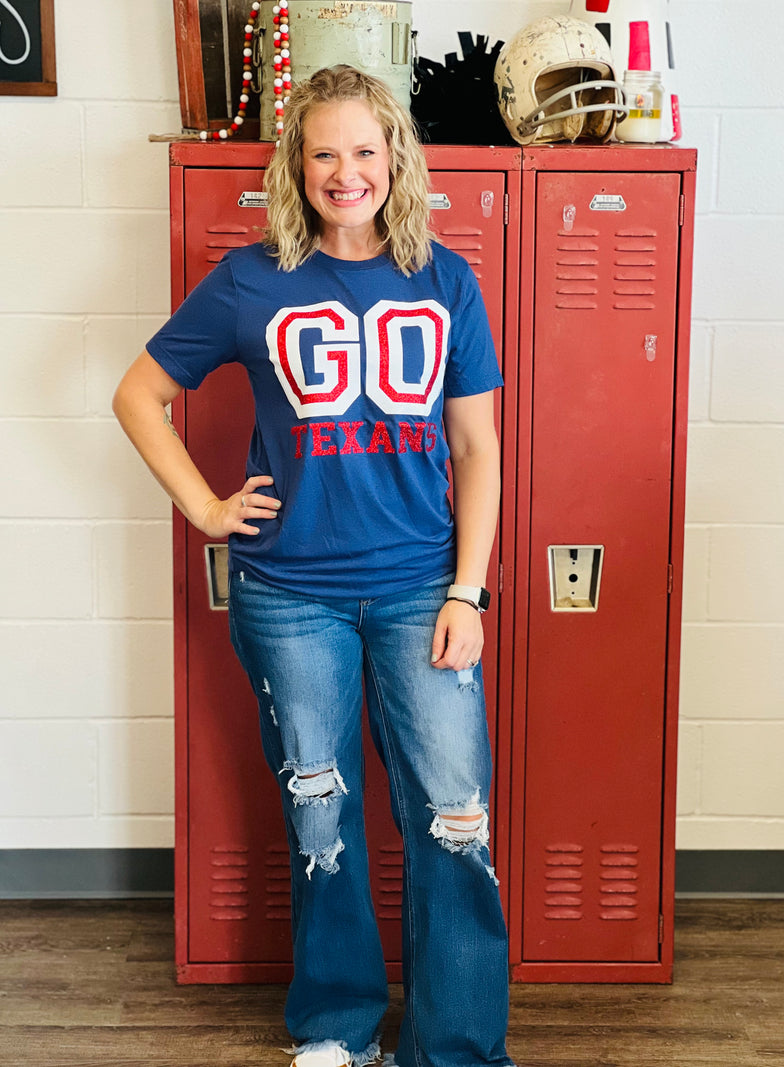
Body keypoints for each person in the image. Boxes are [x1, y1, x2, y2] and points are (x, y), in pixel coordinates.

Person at [113, 64, 514, 1067]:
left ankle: (457, 1046)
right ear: (295, 165)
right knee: (320, 813)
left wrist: (467, 589)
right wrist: (207, 506)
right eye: (324, 153)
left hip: (423, 586)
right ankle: (338, 1026)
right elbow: (137, 395)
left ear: (396, 160)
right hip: (290, 595)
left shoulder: (444, 280)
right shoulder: (251, 280)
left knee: (454, 818)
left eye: (364, 151)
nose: (346, 172)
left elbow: (477, 448)